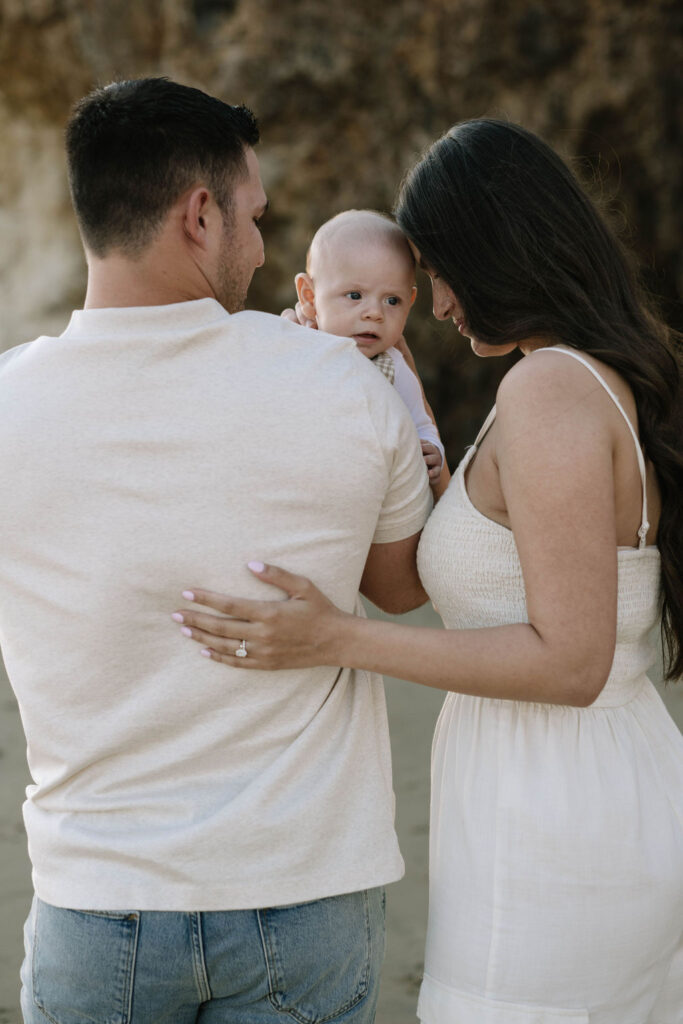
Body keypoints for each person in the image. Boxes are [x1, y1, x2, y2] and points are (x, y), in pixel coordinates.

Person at [174, 119, 683, 1024]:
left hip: (557, 808)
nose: (438, 304)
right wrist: (371, 420)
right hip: (573, 788)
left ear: (496, 253)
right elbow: (420, 580)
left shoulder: (550, 391)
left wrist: (336, 641)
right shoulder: (568, 380)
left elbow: (571, 663)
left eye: (436, 276)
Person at [0, 77, 434, 1023]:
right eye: (253, 215)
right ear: (200, 216)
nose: (263, 244)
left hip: (93, 899)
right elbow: (402, 588)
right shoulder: (343, 385)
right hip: (304, 889)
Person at [291, 209, 445, 484]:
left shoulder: (394, 368)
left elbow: (421, 423)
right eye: (355, 296)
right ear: (309, 296)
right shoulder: (298, 344)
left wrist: (432, 450)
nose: (374, 313)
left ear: (410, 302)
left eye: (392, 301)